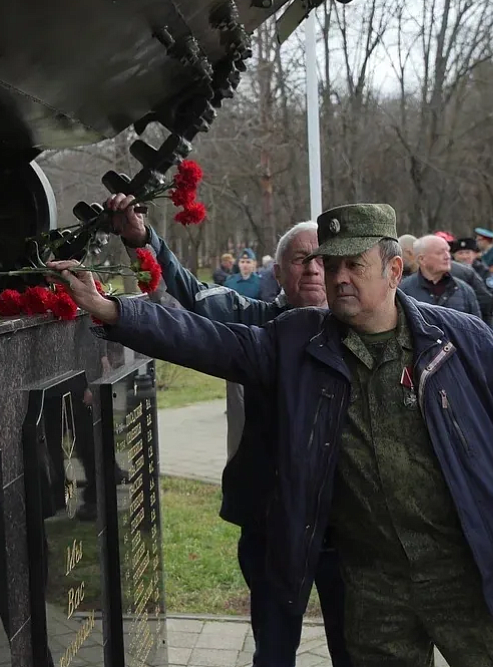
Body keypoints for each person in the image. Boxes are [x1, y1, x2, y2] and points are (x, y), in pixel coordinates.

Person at [52, 203, 493, 666]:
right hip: (375, 587)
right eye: (332, 264)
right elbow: (207, 339)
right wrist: (111, 310)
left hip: (476, 571)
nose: (339, 278)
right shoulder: (297, 340)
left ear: (394, 269)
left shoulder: (461, 338)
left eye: (355, 265)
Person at [102, 193, 348, 667]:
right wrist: (141, 240)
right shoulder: (257, 322)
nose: (314, 269)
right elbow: (188, 294)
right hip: (270, 520)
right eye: (301, 259)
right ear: (278, 273)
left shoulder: (363, 325)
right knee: (274, 647)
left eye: (323, 259)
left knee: (352, 644)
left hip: (346, 526)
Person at [399, 235, 481, 318]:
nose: (447, 256)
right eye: (440, 252)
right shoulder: (404, 290)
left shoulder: (464, 290)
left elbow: (477, 327)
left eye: (448, 251)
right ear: (421, 259)